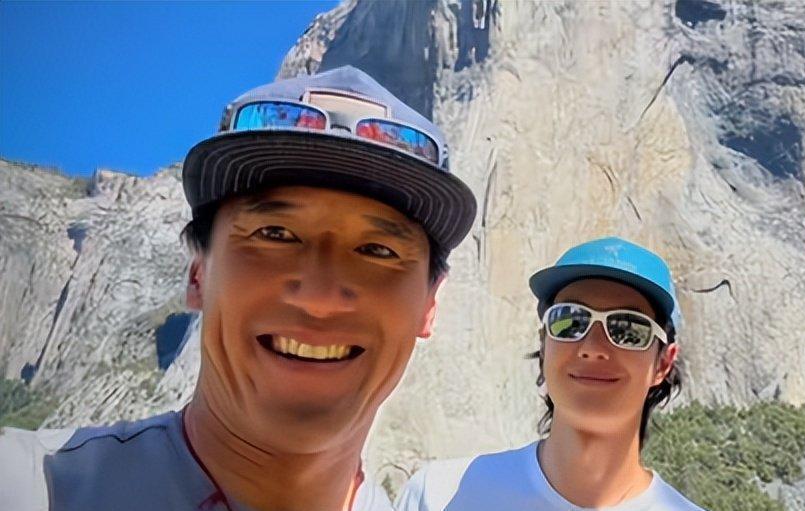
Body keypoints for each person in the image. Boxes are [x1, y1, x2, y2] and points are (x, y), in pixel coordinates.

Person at [0, 65, 477, 511]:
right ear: (197, 275)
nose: (319, 297)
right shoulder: (29, 487)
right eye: (276, 234)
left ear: (429, 306)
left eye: (377, 251)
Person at [395, 237, 705, 511]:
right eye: (570, 320)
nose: (592, 347)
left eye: (627, 328)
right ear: (545, 346)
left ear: (663, 364)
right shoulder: (438, 497)